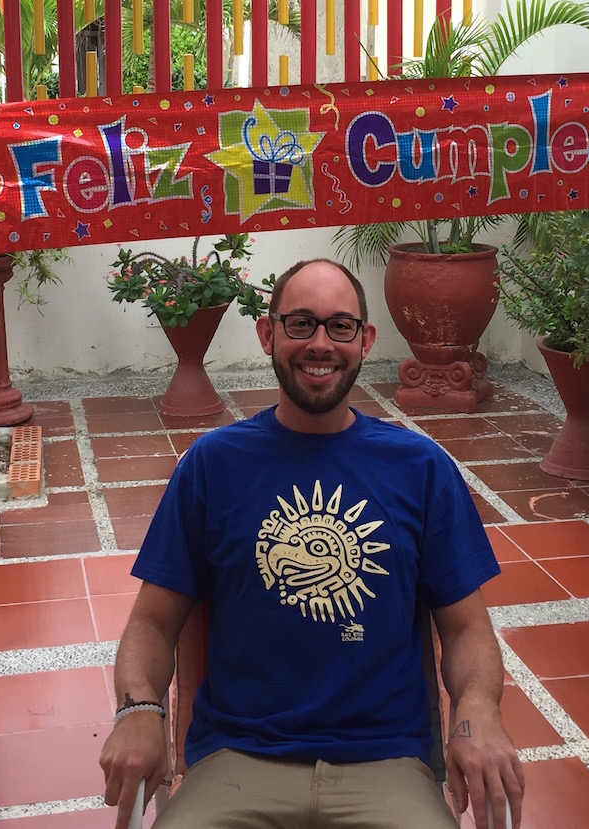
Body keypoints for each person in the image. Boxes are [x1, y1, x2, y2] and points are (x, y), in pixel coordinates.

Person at [100, 258, 524, 829]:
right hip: (238, 759)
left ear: (364, 341)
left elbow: (467, 627)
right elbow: (152, 622)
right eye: (300, 323)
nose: (320, 343)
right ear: (267, 334)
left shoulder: (421, 468)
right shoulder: (212, 465)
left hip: (385, 763)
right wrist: (139, 708)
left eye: (339, 326)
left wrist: (478, 710)